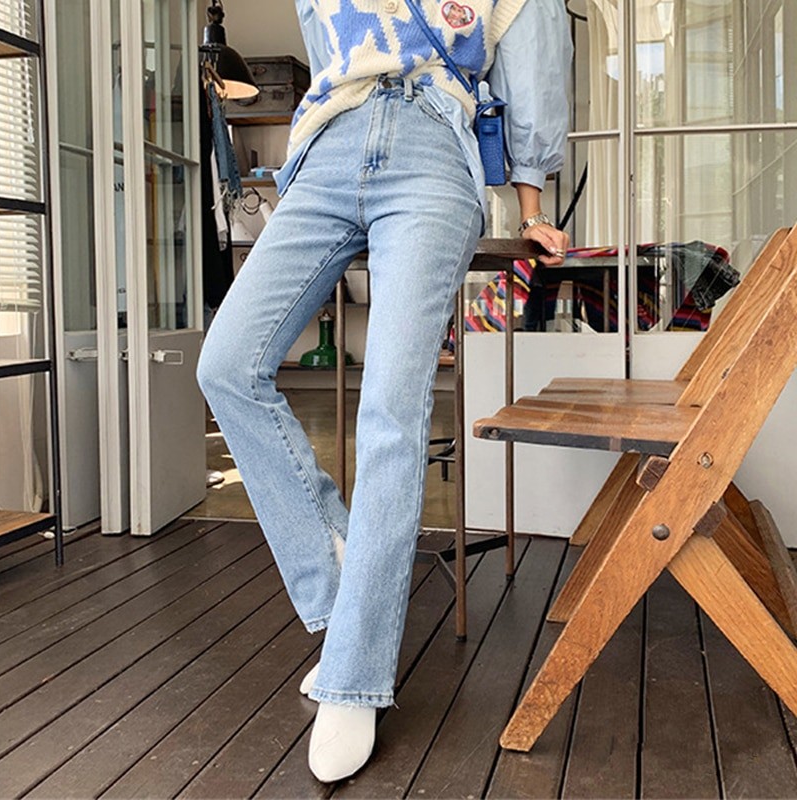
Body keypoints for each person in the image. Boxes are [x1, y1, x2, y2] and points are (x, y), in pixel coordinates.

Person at [197, 0, 572, 783]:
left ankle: (355, 675)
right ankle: (342, 577)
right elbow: (327, 47)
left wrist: (531, 203)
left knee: (391, 411)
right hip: (326, 149)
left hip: (434, 145)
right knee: (227, 365)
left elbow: (533, 65)